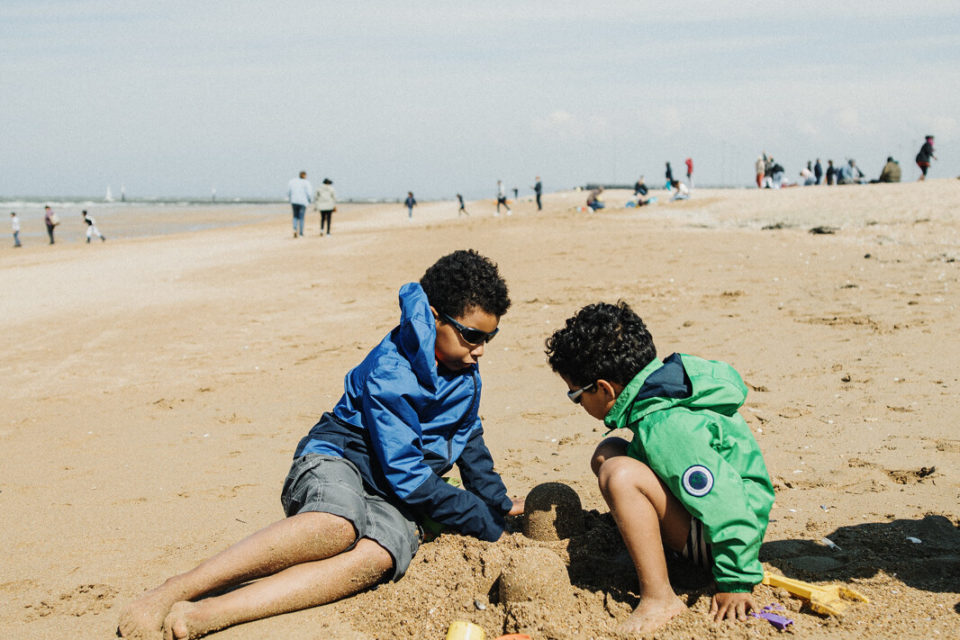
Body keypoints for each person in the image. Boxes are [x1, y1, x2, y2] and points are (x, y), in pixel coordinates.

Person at [117, 250, 524, 640]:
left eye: (490, 337)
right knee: (337, 525)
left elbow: (467, 436)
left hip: (397, 496)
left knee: (377, 556)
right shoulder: (393, 370)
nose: (480, 350)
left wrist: (497, 503)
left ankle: (212, 612)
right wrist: (478, 518)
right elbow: (408, 474)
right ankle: (177, 589)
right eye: (472, 336)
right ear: (435, 318)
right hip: (341, 457)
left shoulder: (465, 370)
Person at [545, 301, 773, 635]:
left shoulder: (666, 427)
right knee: (608, 453)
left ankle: (660, 597)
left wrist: (736, 581)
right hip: (712, 519)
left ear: (605, 388)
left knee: (618, 475)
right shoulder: (663, 387)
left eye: (576, 396)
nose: (578, 403)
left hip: (724, 538)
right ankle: (650, 542)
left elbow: (727, 504)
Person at [287, 171, 313, 238]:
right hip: (303, 202)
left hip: (294, 201)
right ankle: (301, 233)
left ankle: (295, 229)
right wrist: (310, 200)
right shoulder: (306, 182)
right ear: (304, 175)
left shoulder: (292, 181)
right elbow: (309, 193)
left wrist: (290, 199)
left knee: (295, 216)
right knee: (301, 217)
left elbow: (289, 191)